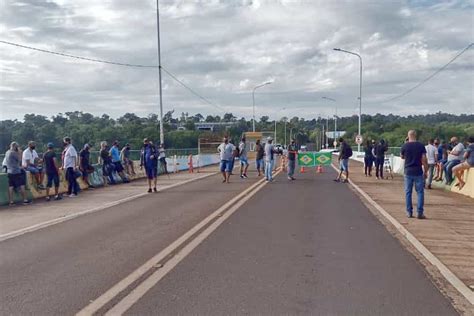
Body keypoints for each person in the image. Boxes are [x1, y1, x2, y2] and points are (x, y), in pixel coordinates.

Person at [401, 130, 428, 219]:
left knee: (408, 192)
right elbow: (424, 159)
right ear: (416, 135)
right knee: (420, 192)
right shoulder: (421, 146)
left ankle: (409, 212)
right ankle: (420, 212)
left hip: (408, 171)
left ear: (408, 136)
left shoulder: (405, 146)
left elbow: (402, 157)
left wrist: (406, 144)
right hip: (418, 171)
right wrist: (426, 170)